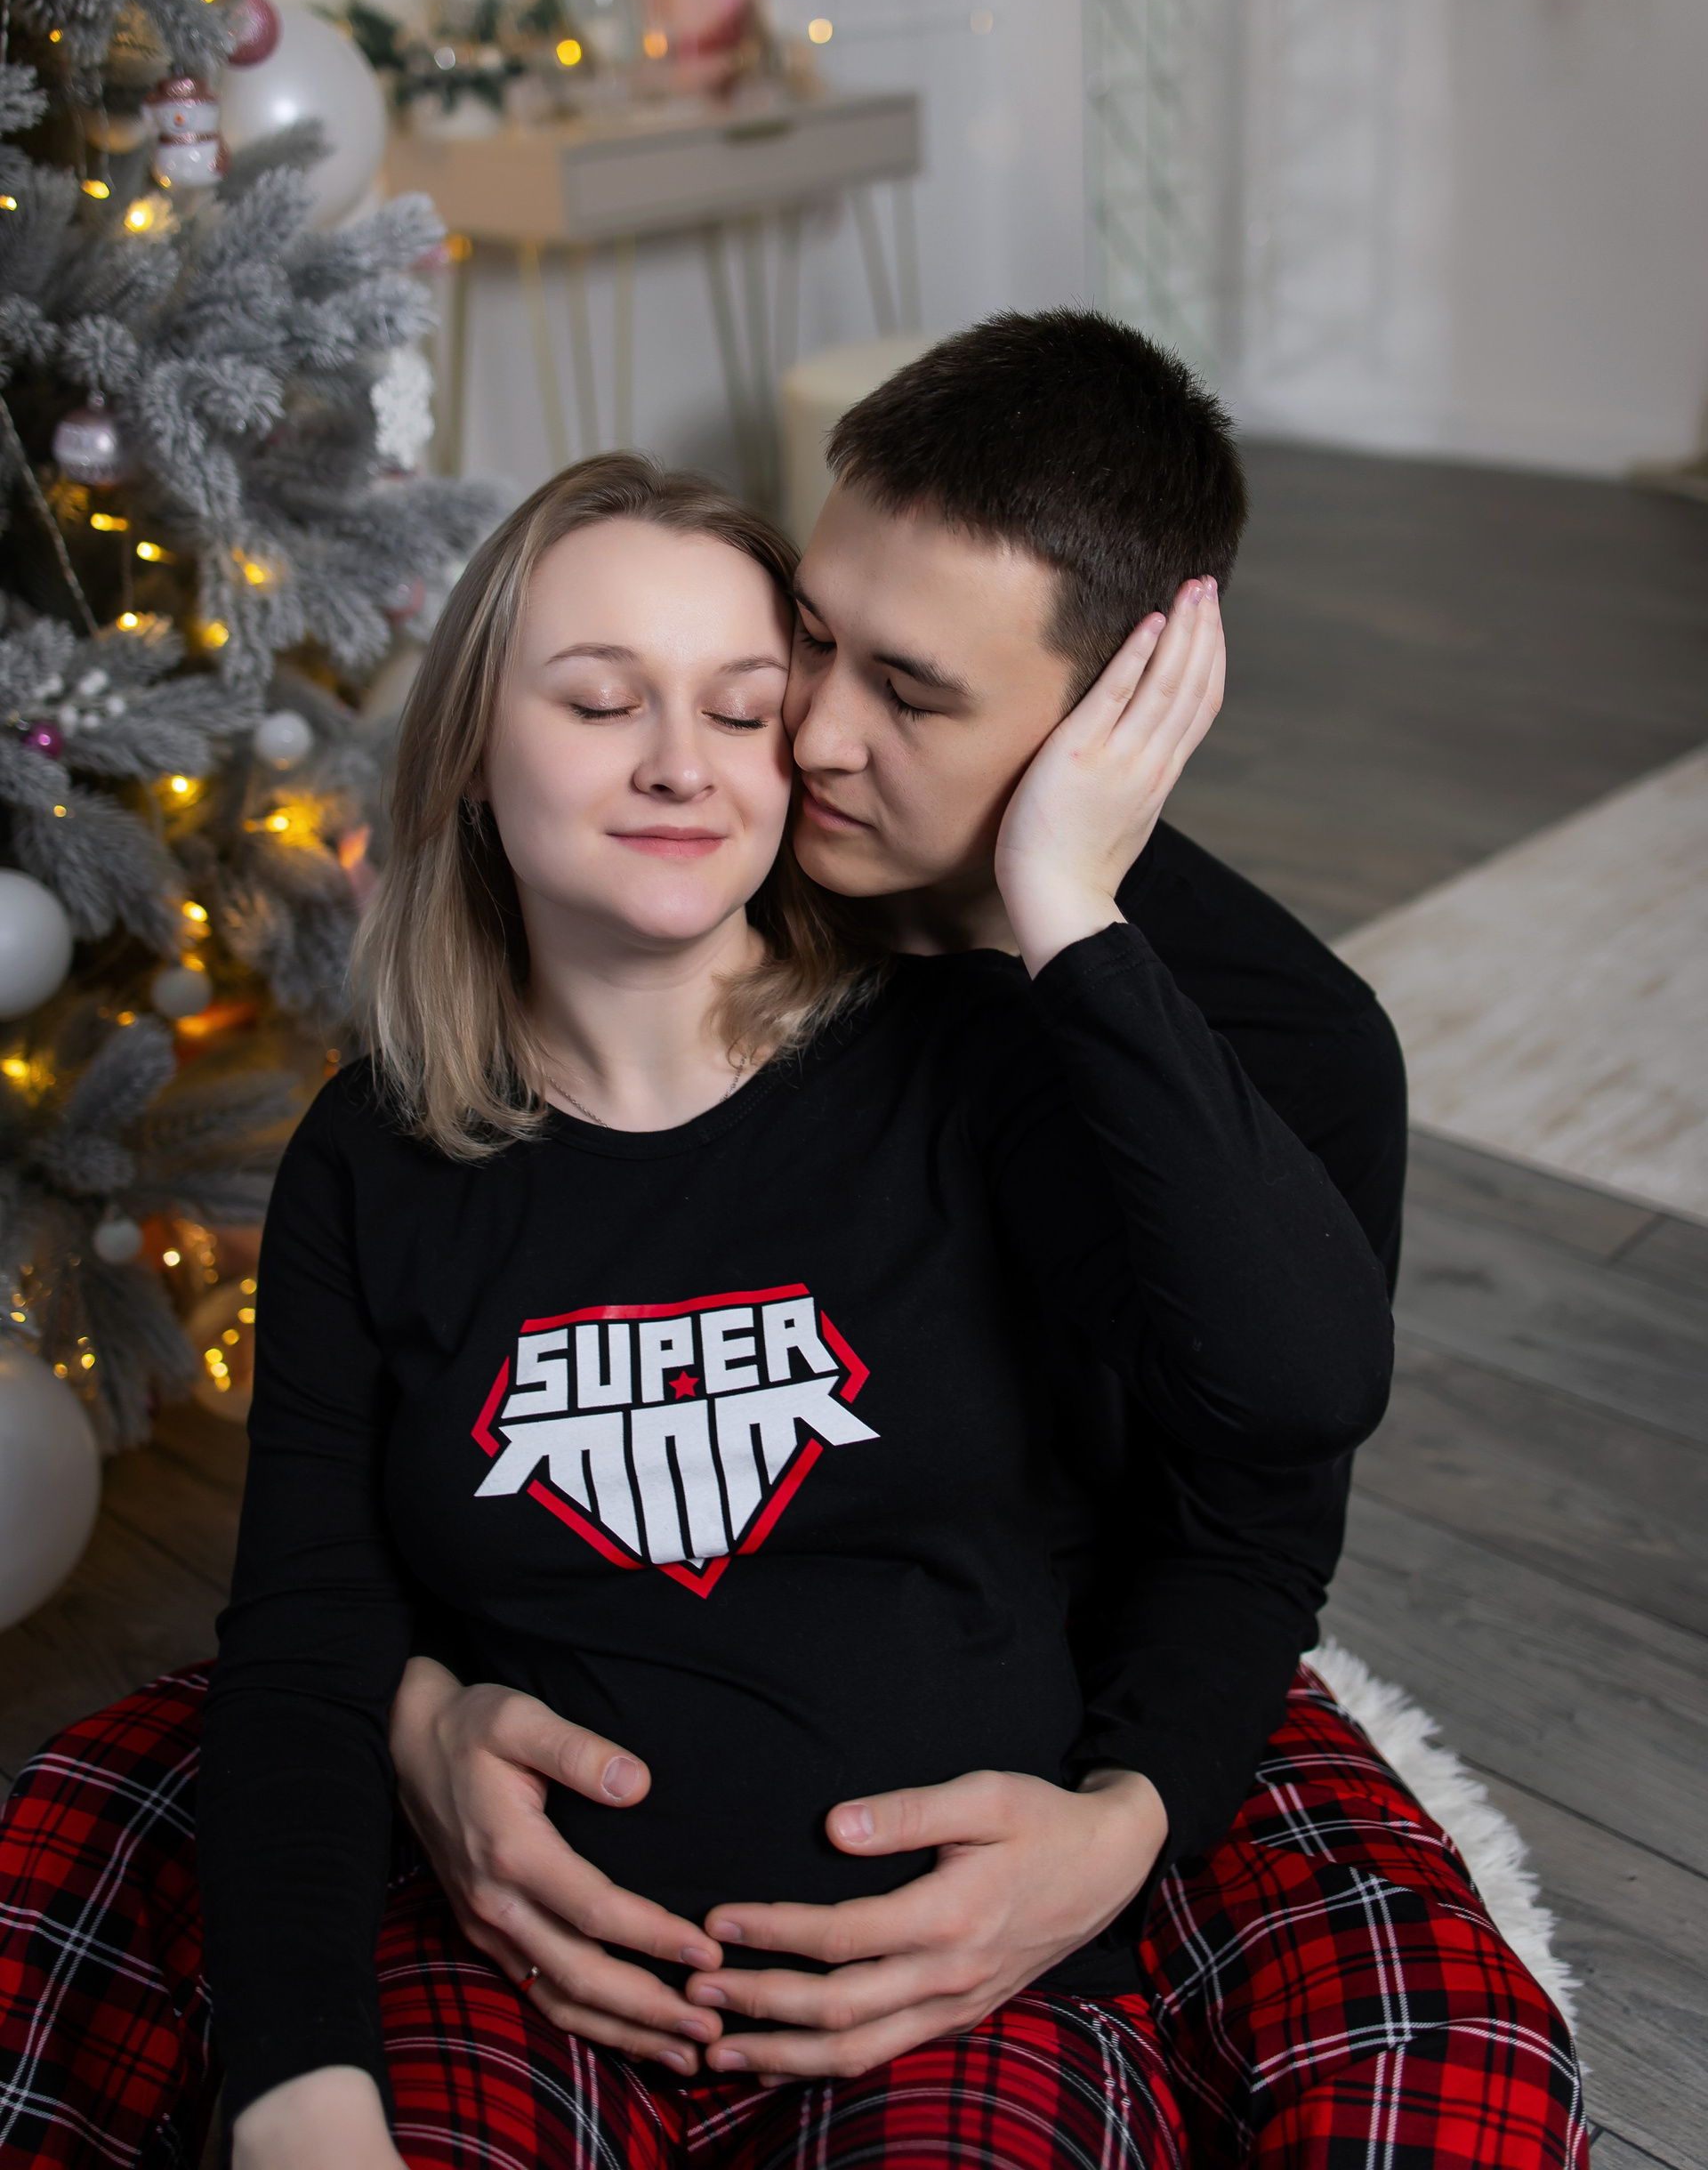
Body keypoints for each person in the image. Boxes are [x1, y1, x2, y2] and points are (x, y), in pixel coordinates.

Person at [0, 443, 1393, 2169]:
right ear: (473, 753)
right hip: (524, 1988)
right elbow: (308, 1633)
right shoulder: (375, 1157)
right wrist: (302, 2087)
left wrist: (1067, 905)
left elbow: (1296, 1391)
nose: (679, 761)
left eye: (742, 711)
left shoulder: (973, 1071)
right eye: (602, 703)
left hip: (955, 2007)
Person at [379, 317, 1587, 2160]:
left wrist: (1122, 1827)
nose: (815, 733)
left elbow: (1256, 1526)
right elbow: (430, 1355)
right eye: (812, 638)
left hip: (1057, 1694)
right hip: (646, 1643)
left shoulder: (1290, 1048)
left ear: (1116, 714)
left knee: (1448, 2074)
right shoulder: (692, 872)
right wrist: (419, 1715)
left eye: (915, 694)